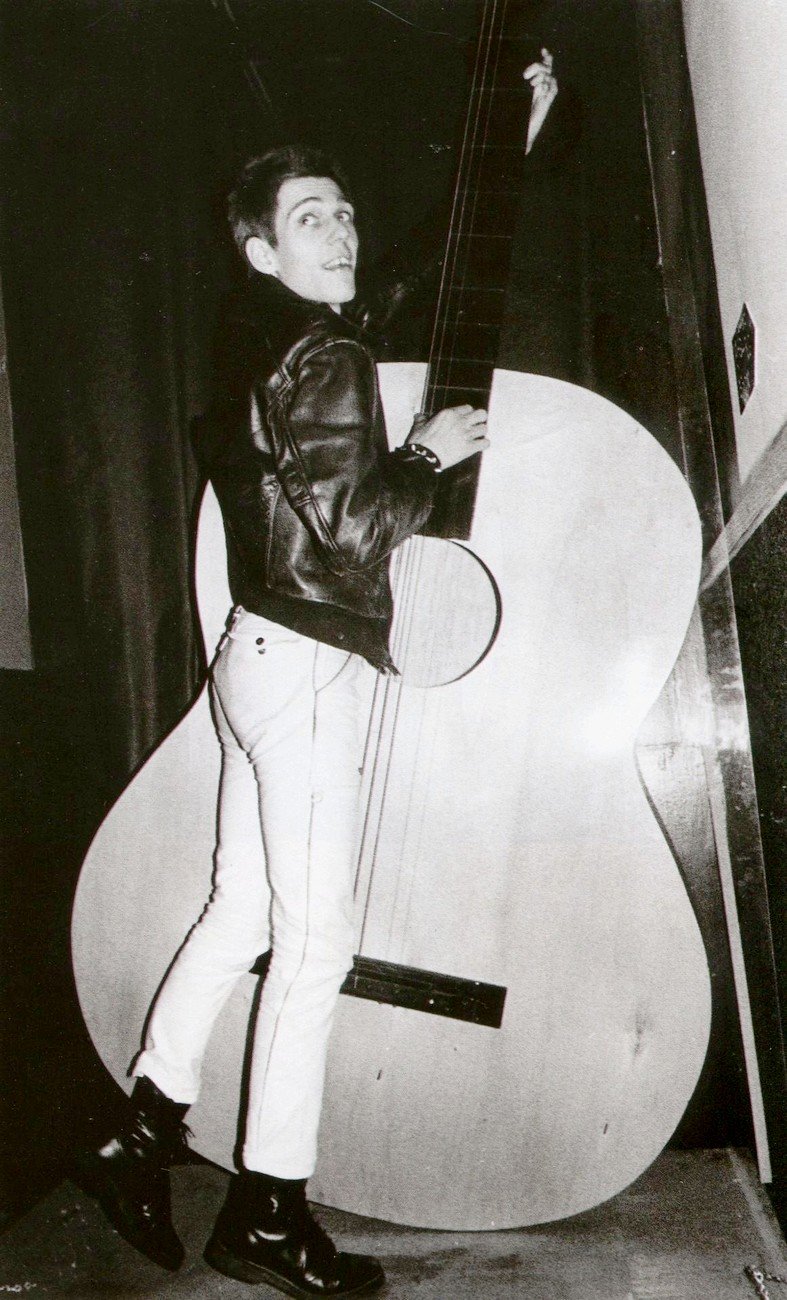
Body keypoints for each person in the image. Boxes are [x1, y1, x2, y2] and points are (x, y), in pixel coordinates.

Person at [77, 50, 558, 1300]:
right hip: (301, 669)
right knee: (315, 940)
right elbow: (355, 530)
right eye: (310, 219)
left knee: (241, 911)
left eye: (343, 210)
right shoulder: (322, 357)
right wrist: (426, 452)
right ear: (261, 249)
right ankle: (271, 1210)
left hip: (259, 659)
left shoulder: (273, 331)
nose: (341, 230)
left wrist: (504, 150)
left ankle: (136, 1136)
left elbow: (386, 287)